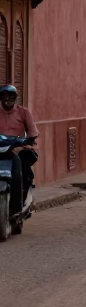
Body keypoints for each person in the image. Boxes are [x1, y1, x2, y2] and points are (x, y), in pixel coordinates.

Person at [0, 84, 38, 219]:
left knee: (22, 169)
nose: (8, 99)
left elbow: (33, 132)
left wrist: (26, 142)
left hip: (19, 149)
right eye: (5, 96)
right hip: (1, 149)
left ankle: (21, 203)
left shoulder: (24, 112)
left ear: (15, 98)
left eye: (11, 96)